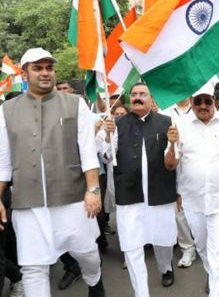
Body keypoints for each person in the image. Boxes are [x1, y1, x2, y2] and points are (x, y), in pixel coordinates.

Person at [0, 48, 105, 296]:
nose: (45, 73)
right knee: (33, 267)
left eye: (49, 68)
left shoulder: (75, 104)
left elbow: (88, 152)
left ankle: (94, 279)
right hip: (28, 201)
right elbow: (4, 160)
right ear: (24, 74)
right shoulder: (6, 110)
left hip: (71, 197)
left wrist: (93, 189)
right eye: (38, 68)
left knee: (86, 252)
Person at [164, 83, 219, 297]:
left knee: (218, 249)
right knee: (202, 246)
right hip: (193, 200)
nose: (203, 105)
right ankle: (213, 276)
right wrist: (171, 143)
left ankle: (216, 293)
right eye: (198, 101)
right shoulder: (179, 126)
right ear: (191, 101)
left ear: (214, 101)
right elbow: (170, 165)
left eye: (207, 101)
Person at [102, 83, 177, 296]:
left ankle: (166, 267)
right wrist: (107, 137)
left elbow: (175, 159)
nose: (137, 97)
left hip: (160, 192)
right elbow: (107, 156)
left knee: (163, 240)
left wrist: (173, 144)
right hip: (129, 195)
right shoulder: (116, 124)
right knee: (132, 246)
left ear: (151, 99)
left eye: (142, 94)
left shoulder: (166, 122)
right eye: (133, 94)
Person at [160, 98, 197, 269]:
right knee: (179, 209)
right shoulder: (165, 111)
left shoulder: (199, 107)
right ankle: (187, 247)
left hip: (198, 165)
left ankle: (204, 244)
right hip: (174, 166)